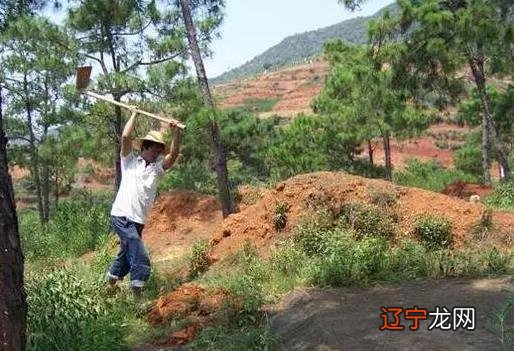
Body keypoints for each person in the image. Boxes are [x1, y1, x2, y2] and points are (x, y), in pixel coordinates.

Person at [106, 112, 181, 294]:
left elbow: (174, 154)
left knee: (125, 254)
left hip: (138, 219)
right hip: (122, 214)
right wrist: (134, 114)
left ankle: (108, 286)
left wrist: (177, 133)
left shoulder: (157, 169)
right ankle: (137, 290)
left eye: (159, 151)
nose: (157, 154)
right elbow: (125, 137)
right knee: (136, 248)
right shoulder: (129, 162)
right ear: (145, 147)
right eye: (154, 149)